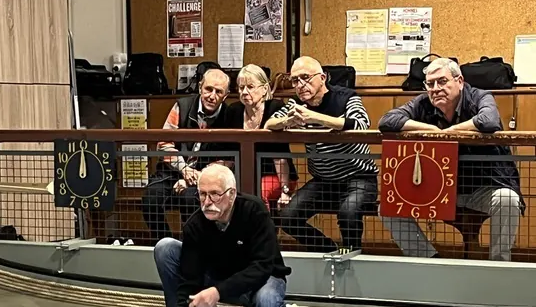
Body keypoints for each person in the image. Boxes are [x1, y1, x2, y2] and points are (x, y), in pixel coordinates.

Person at [378, 57, 524, 260]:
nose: (435, 88)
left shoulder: (480, 97)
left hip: (484, 187)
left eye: (442, 81)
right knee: (387, 207)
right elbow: (387, 120)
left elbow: (489, 121)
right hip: (439, 190)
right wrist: (430, 129)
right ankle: (429, 260)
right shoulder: (422, 102)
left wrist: (450, 131)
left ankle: (499, 265)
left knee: (508, 200)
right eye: (430, 84)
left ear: (460, 81)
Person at [151, 163, 292, 307]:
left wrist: (217, 291)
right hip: (217, 279)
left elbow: (263, 266)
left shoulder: (254, 211)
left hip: (259, 281)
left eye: (215, 194)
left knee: (268, 299)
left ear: (231, 194)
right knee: (165, 248)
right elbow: (187, 281)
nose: (207, 202)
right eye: (202, 194)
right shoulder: (195, 225)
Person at [264, 56, 379, 253]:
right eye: (295, 80)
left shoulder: (346, 97)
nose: (300, 85)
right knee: (289, 217)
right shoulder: (296, 104)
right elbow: (269, 125)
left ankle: (353, 257)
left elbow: (361, 124)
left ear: (323, 78)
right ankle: (329, 250)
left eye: (306, 78)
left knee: (348, 212)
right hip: (323, 180)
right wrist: (287, 121)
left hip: (359, 178)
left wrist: (316, 118)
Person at [141, 69, 231, 245]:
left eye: (218, 91)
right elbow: (165, 143)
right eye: (208, 89)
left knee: (190, 199)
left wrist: (196, 177)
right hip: (171, 173)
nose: (212, 96)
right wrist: (184, 170)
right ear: (200, 88)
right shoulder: (181, 106)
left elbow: (227, 158)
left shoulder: (228, 116)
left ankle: (191, 246)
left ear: (226, 95)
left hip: (206, 179)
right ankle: (165, 244)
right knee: (150, 200)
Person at [223, 64, 298, 211]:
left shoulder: (275, 108)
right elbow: (228, 154)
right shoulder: (233, 111)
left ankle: (260, 232)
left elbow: (280, 157)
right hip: (243, 174)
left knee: (257, 192)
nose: (244, 92)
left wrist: (285, 191)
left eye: (250, 87)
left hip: (277, 175)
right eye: (241, 87)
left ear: (264, 89)